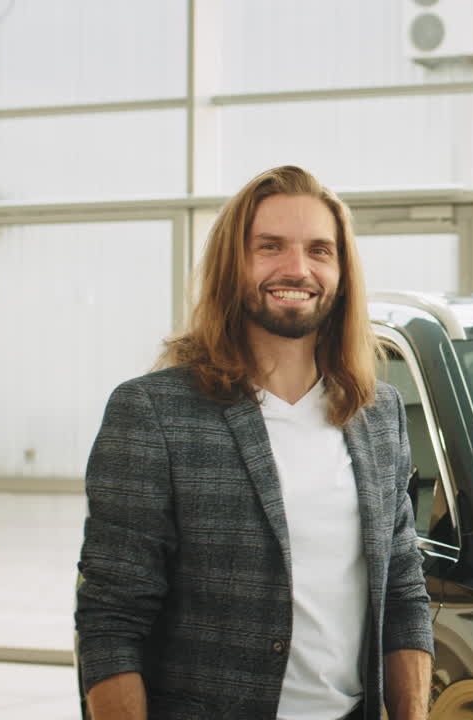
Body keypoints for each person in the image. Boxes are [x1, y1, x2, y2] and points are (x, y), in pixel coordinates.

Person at [75, 166, 433, 719]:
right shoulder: (152, 412)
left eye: (320, 250)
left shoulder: (377, 414)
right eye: (270, 247)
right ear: (231, 265)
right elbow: (111, 619)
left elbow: (403, 590)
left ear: (341, 271)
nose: (297, 269)